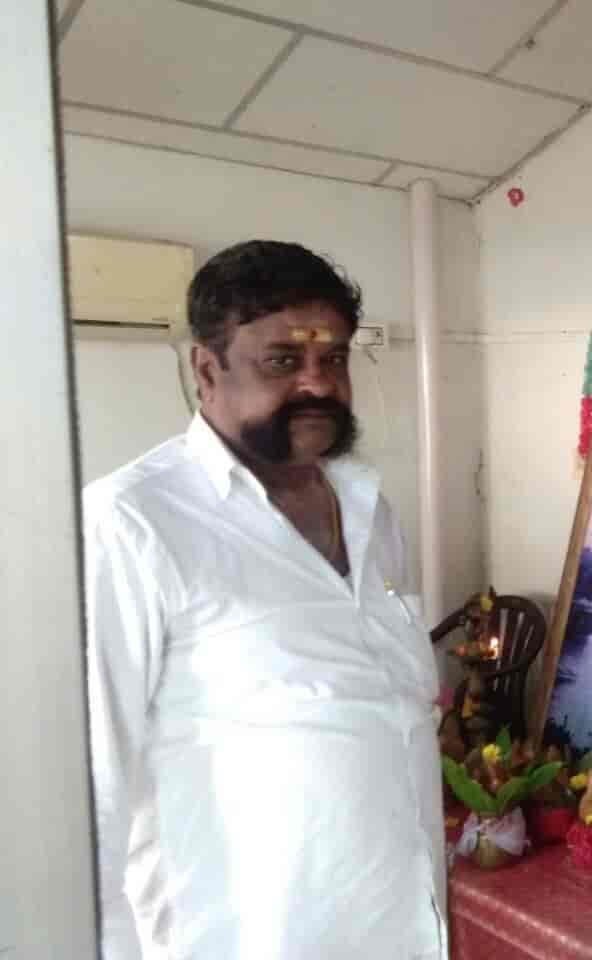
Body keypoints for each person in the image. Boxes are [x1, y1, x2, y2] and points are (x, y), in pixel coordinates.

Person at [84, 241, 448, 959]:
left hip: (400, 931)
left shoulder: (370, 510)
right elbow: (90, 790)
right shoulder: (132, 522)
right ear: (206, 369)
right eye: (282, 361)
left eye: (333, 358)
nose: (318, 383)